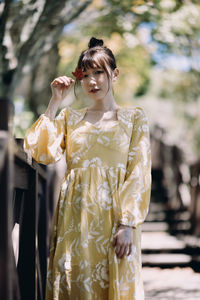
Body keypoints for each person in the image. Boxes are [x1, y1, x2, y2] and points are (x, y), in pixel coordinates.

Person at [23, 37, 152, 300]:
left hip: (116, 221)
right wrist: (55, 101)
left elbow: (139, 171)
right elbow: (40, 151)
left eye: (99, 73)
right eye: (86, 75)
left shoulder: (134, 118)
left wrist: (127, 223)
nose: (92, 82)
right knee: (74, 283)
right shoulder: (70, 118)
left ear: (113, 74)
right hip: (75, 220)